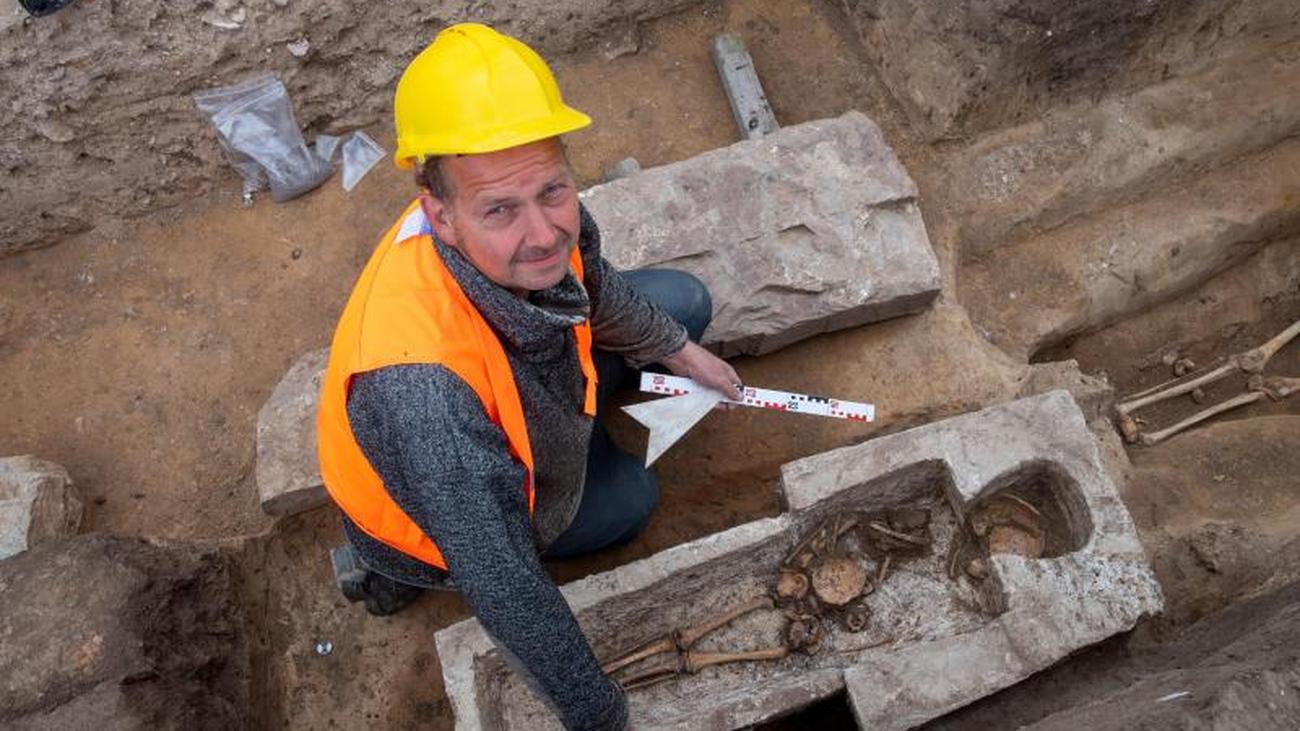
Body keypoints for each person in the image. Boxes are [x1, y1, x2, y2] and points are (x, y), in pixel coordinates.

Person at [316, 22, 742, 731]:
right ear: (439, 214)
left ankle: (604, 409)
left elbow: (591, 282)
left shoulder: (522, 210)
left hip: (532, 392)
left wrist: (678, 351)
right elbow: (506, 584)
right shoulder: (426, 400)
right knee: (633, 497)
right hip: (441, 507)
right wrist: (602, 715)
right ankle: (383, 574)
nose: (543, 232)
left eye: (554, 190)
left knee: (684, 307)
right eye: (500, 211)